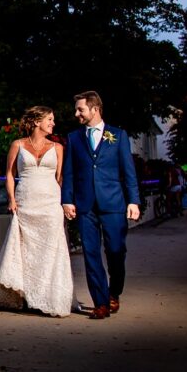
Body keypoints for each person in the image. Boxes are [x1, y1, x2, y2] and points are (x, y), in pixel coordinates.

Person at [0, 105, 74, 317]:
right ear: (36, 122)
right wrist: (12, 199)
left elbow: (60, 178)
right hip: (26, 202)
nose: (53, 123)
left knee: (49, 249)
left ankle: (48, 296)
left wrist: (65, 203)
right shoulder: (18, 145)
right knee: (26, 251)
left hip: (50, 204)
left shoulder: (58, 147)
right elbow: (9, 173)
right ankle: (25, 296)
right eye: (49, 119)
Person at [62, 91, 140, 320]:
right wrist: (67, 199)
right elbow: (69, 172)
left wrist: (133, 200)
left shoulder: (118, 135)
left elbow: (129, 171)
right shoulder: (74, 138)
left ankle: (114, 292)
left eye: (80, 109)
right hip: (85, 205)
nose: (76, 114)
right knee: (90, 254)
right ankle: (101, 302)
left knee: (116, 251)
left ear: (94, 109)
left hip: (114, 203)